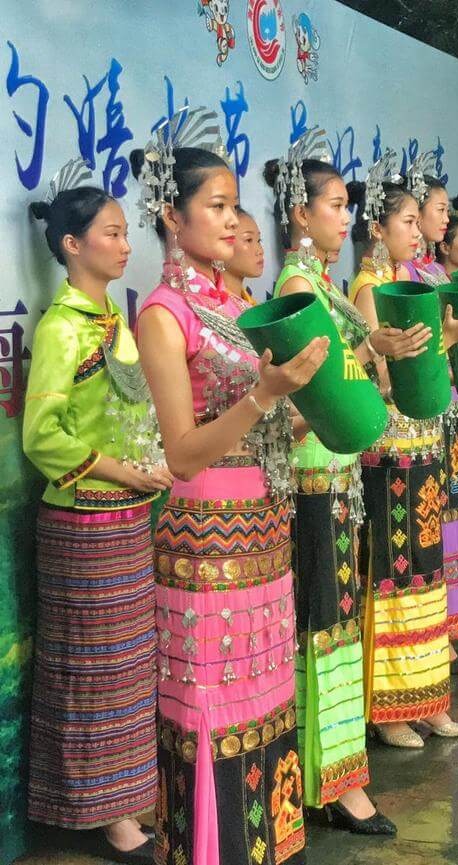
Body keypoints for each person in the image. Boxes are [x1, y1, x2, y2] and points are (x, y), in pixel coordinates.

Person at [134, 107, 326, 865]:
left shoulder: (243, 307)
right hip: (204, 543)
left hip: (263, 533)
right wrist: (267, 396)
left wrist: (328, 394)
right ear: (170, 216)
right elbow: (181, 454)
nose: (231, 219)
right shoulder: (164, 312)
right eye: (215, 206)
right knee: (210, 710)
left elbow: (272, 429)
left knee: (265, 703)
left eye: (233, 204)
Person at [23, 161, 172, 864]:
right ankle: (99, 813)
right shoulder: (61, 330)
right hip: (82, 520)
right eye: (111, 233)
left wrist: (153, 467)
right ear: (71, 245)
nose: (124, 244)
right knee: (90, 667)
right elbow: (42, 436)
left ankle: (122, 799)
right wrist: (122, 471)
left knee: (126, 666)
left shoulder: (114, 319)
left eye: (124, 232)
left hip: (126, 514)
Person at [263, 131, 395, 834]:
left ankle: (335, 774)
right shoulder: (295, 286)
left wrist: (373, 351)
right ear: (299, 213)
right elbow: (294, 396)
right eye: (335, 205)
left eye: (348, 206)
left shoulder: (323, 284)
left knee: (333, 625)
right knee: (321, 627)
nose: (345, 218)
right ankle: (327, 781)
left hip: (334, 477)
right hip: (314, 481)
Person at [349, 151, 458, 748]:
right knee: (395, 574)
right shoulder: (368, 290)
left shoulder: (410, 283)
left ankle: (429, 699)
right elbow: (376, 382)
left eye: (414, 221)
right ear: (377, 229)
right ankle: (392, 708)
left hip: (423, 444)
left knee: (427, 575)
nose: (414, 231)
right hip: (389, 451)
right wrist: (449, 338)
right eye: (406, 221)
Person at [403, 157, 458, 644]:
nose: (444, 219)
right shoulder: (406, 276)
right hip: (422, 403)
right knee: (435, 514)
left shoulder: (430, 270)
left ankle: (450, 617)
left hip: (446, 399)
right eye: (436, 210)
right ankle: (438, 625)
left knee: (452, 504)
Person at [222, 206, 264, 304]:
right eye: (248, 240)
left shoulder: (249, 303)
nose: (260, 251)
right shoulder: (216, 307)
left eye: (259, 240)